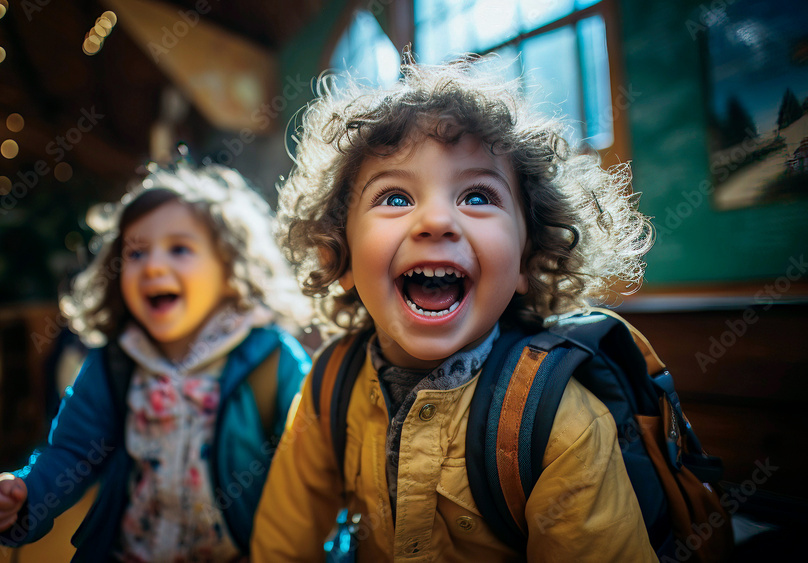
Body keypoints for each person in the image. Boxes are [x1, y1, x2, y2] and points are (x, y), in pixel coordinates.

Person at [252, 56, 656, 561]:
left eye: (478, 196)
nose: (436, 220)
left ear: (529, 257)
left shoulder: (561, 425)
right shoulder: (328, 386)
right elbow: (281, 545)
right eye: (395, 197)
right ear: (342, 254)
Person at [0, 161, 312, 562]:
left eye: (180, 249)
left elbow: (314, 460)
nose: (153, 265)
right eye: (136, 252)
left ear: (231, 269)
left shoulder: (272, 361)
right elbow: (73, 452)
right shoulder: (115, 364)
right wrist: (26, 495)